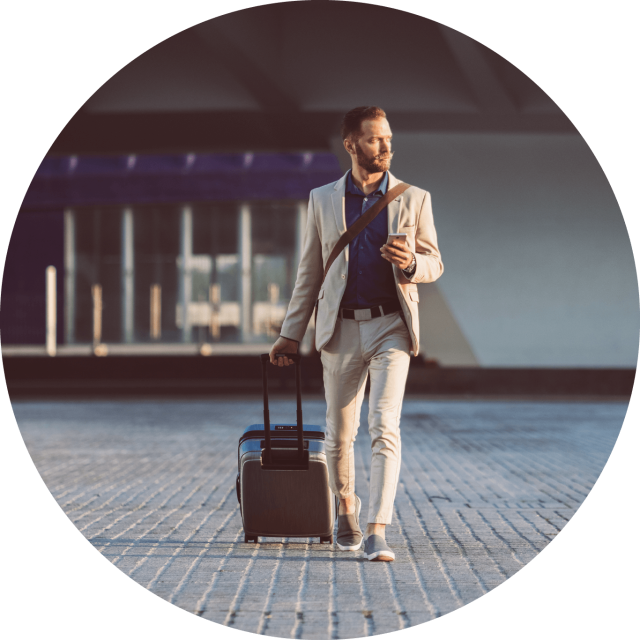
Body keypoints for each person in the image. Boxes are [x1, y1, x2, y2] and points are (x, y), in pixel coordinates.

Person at [269, 106, 443, 561]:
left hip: (392, 326)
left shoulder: (414, 198)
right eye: (374, 139)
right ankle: (345, 505)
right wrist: (291, 334)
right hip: (341, 328)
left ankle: (377, 530)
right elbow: (310, 271)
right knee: (338, 435)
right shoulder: (322, 199)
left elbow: (434, 263)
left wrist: (409, 263)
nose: (386, 146)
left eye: (388, 138)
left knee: (384, 425)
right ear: (351, 144)